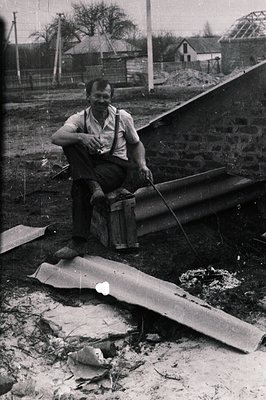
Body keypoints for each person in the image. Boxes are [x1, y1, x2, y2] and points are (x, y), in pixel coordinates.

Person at [51, 78, 153, 259]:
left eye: (106, 96)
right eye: (97, 96)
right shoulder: (79, 118)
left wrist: (142, 164)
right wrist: (82, 136)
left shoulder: (122, 117)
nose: (101, 100)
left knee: (79, 184)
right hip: (91, 166)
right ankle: (94, 187)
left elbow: (137, 144)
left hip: (115, 168)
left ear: (111, 98)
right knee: (70, 142)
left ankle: (78, 242)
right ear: (88, 97)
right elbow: (56, 137)